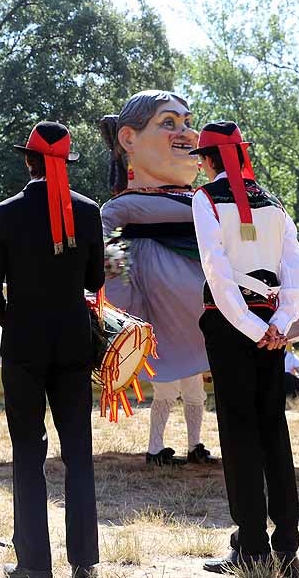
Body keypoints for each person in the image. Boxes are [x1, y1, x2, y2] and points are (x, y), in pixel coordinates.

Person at [0, 122, 103, 578]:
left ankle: (34, 563)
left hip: (24, 344)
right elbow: (95, 281)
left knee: (27, 454)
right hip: (73, 340)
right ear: (64, 163)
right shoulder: (88, 211)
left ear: (28, 160)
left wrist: (14, 323)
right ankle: (84, 561)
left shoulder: (5, 212)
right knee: (79, 453)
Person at [191, 121, 299, 577]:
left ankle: (252, 548)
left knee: (239, 434)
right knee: (273, 431)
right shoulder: (274, 203)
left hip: (232, 326)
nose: (199, 164)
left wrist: (250, 326)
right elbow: (296, 267)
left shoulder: (205, 200)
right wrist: (278, 323)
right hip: (270, 329)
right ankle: (287, 546)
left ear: (210, 160)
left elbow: (216, 271)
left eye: (201, 157)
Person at [98, 90, 216, 467]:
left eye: (187, 122)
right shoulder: (122, 207)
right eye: (169, 123)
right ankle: (155, 447)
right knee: (165, 391)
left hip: (203, 320)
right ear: (129, 139)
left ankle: (196, 444)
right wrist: (122, 305)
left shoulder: (204, 202)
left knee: (195, 392)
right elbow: (109, 258)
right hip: (159, 323)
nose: (186, 133)